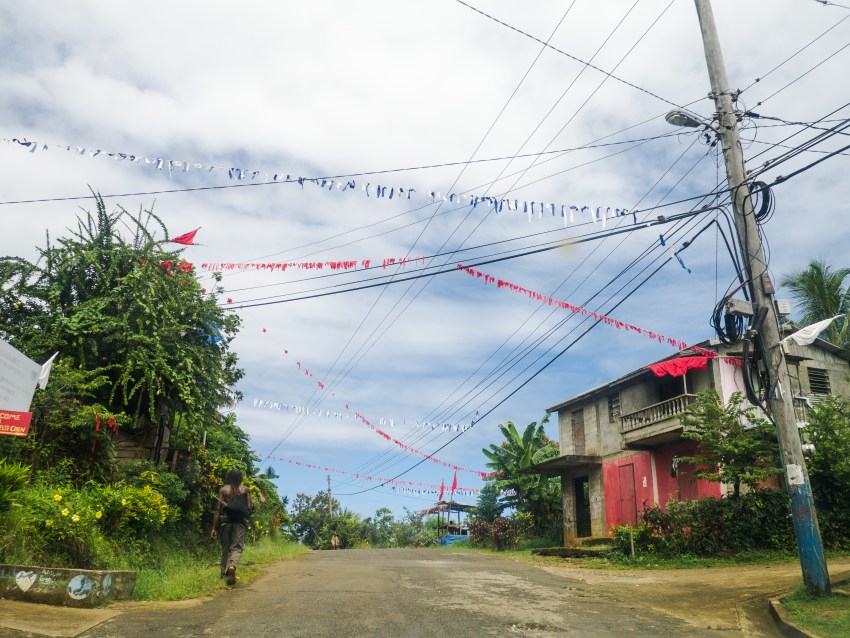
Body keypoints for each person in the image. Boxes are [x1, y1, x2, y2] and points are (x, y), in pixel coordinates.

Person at [211, 468, 252, 586]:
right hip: (239, 523)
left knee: (225, 548)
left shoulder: (224, 490)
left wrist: (213, 528)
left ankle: (224, 574)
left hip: (226, 522)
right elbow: (249, 509)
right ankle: (232, 566)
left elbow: (218, 509)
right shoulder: (245, 490)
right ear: (240, 478)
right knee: (237, 547)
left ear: (229, 477)